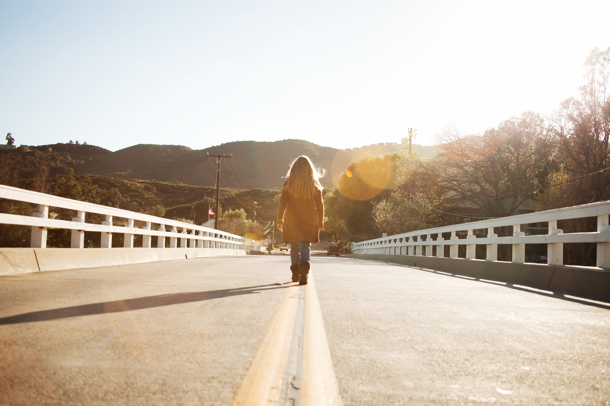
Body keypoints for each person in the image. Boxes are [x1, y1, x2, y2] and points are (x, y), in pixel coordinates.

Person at [277, 156, 325, 285]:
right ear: (310, 169)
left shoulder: (288, 183)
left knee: (294, 246)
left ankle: (295, 273)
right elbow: (320, 204)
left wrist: (279, 220)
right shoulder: (314, 184)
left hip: (291, 220)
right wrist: (320, 221)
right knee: (305, 245)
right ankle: (304, 270)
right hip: (308, 219)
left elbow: (282, 203)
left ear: (294, 169)